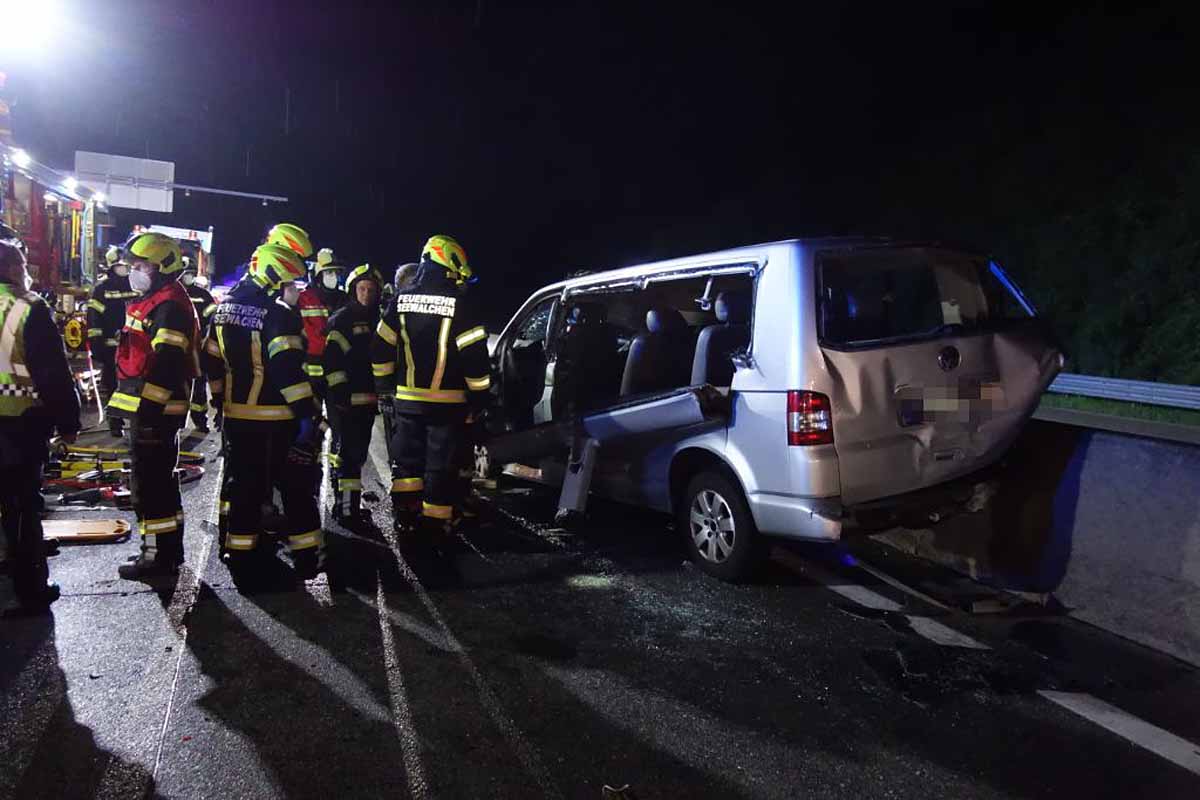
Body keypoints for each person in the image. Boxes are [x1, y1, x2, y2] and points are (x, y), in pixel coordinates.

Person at [204, 243, 324, 583]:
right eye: (293, 284)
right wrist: (307, 414)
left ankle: (242, 556)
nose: (297, 292)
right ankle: (308, 557)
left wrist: (219, 401)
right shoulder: (278, 314)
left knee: (244, 489)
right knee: (296, 487)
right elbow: (287, 369)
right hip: (275, 419)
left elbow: (211, 360)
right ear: (275, 278)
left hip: (236, 416)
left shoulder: (224, 309)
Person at [371, 235, 491, 536]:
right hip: (447, 405)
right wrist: (480, 399)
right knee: (439, 467)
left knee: (407, 464)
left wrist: (385, 387)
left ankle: (405, 516)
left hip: (407, 401)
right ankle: (436, 526)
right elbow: (475, 359)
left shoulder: (401, 300)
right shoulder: (460, 305)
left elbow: (381, 347)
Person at [107, 232, 201, 581]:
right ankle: (166, 551)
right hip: (147, 408)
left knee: (150, 487)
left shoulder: (169, 306)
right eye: (133, 264)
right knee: (158, 482)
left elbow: (166, 364)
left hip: (156, 411)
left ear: (163, 267)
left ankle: (157, 557)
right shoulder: (155, 300)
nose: (134, 270)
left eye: (142, 264)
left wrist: (146, 415)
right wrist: (122, 411)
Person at [0, 223, 81, 615]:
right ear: (14, 269)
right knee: (21, 507)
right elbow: (52, 374)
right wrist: (68, 423)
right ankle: (31, 588)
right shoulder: (28, 309)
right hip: (18, 423)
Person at [322, 263, 383, 529]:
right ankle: (345, 509)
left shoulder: (378, 319)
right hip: (345, 402)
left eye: (371, 290)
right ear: (352, 289)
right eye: (362, 288)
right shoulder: (342, 318)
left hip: (367, 401)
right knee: (346, 455)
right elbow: (332, 361)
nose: (366, 294)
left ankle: (350, 505)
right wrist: (339, 395)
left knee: (356, 455)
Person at [86, 245, 137, 436]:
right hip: (110, 348)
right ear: (111, 266)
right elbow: (94, 318)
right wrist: (96, 343)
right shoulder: (102, 289)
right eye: (120, 265)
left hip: (134, 348)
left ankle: (134, 422)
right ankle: (115, 422)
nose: (124, 268)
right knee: (112, 385)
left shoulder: (135, 286)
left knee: (134, 387)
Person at [180, 256, 217, 432]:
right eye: (186, 273)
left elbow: (213, 317)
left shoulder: (203, 294)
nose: (188, 276)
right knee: (178, 387)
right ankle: (177, 421)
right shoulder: (173, 293)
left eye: (191, 273)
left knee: (199, 386)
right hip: (179, 349)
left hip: (198, 347)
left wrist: (205, 336)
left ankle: (200, 420)